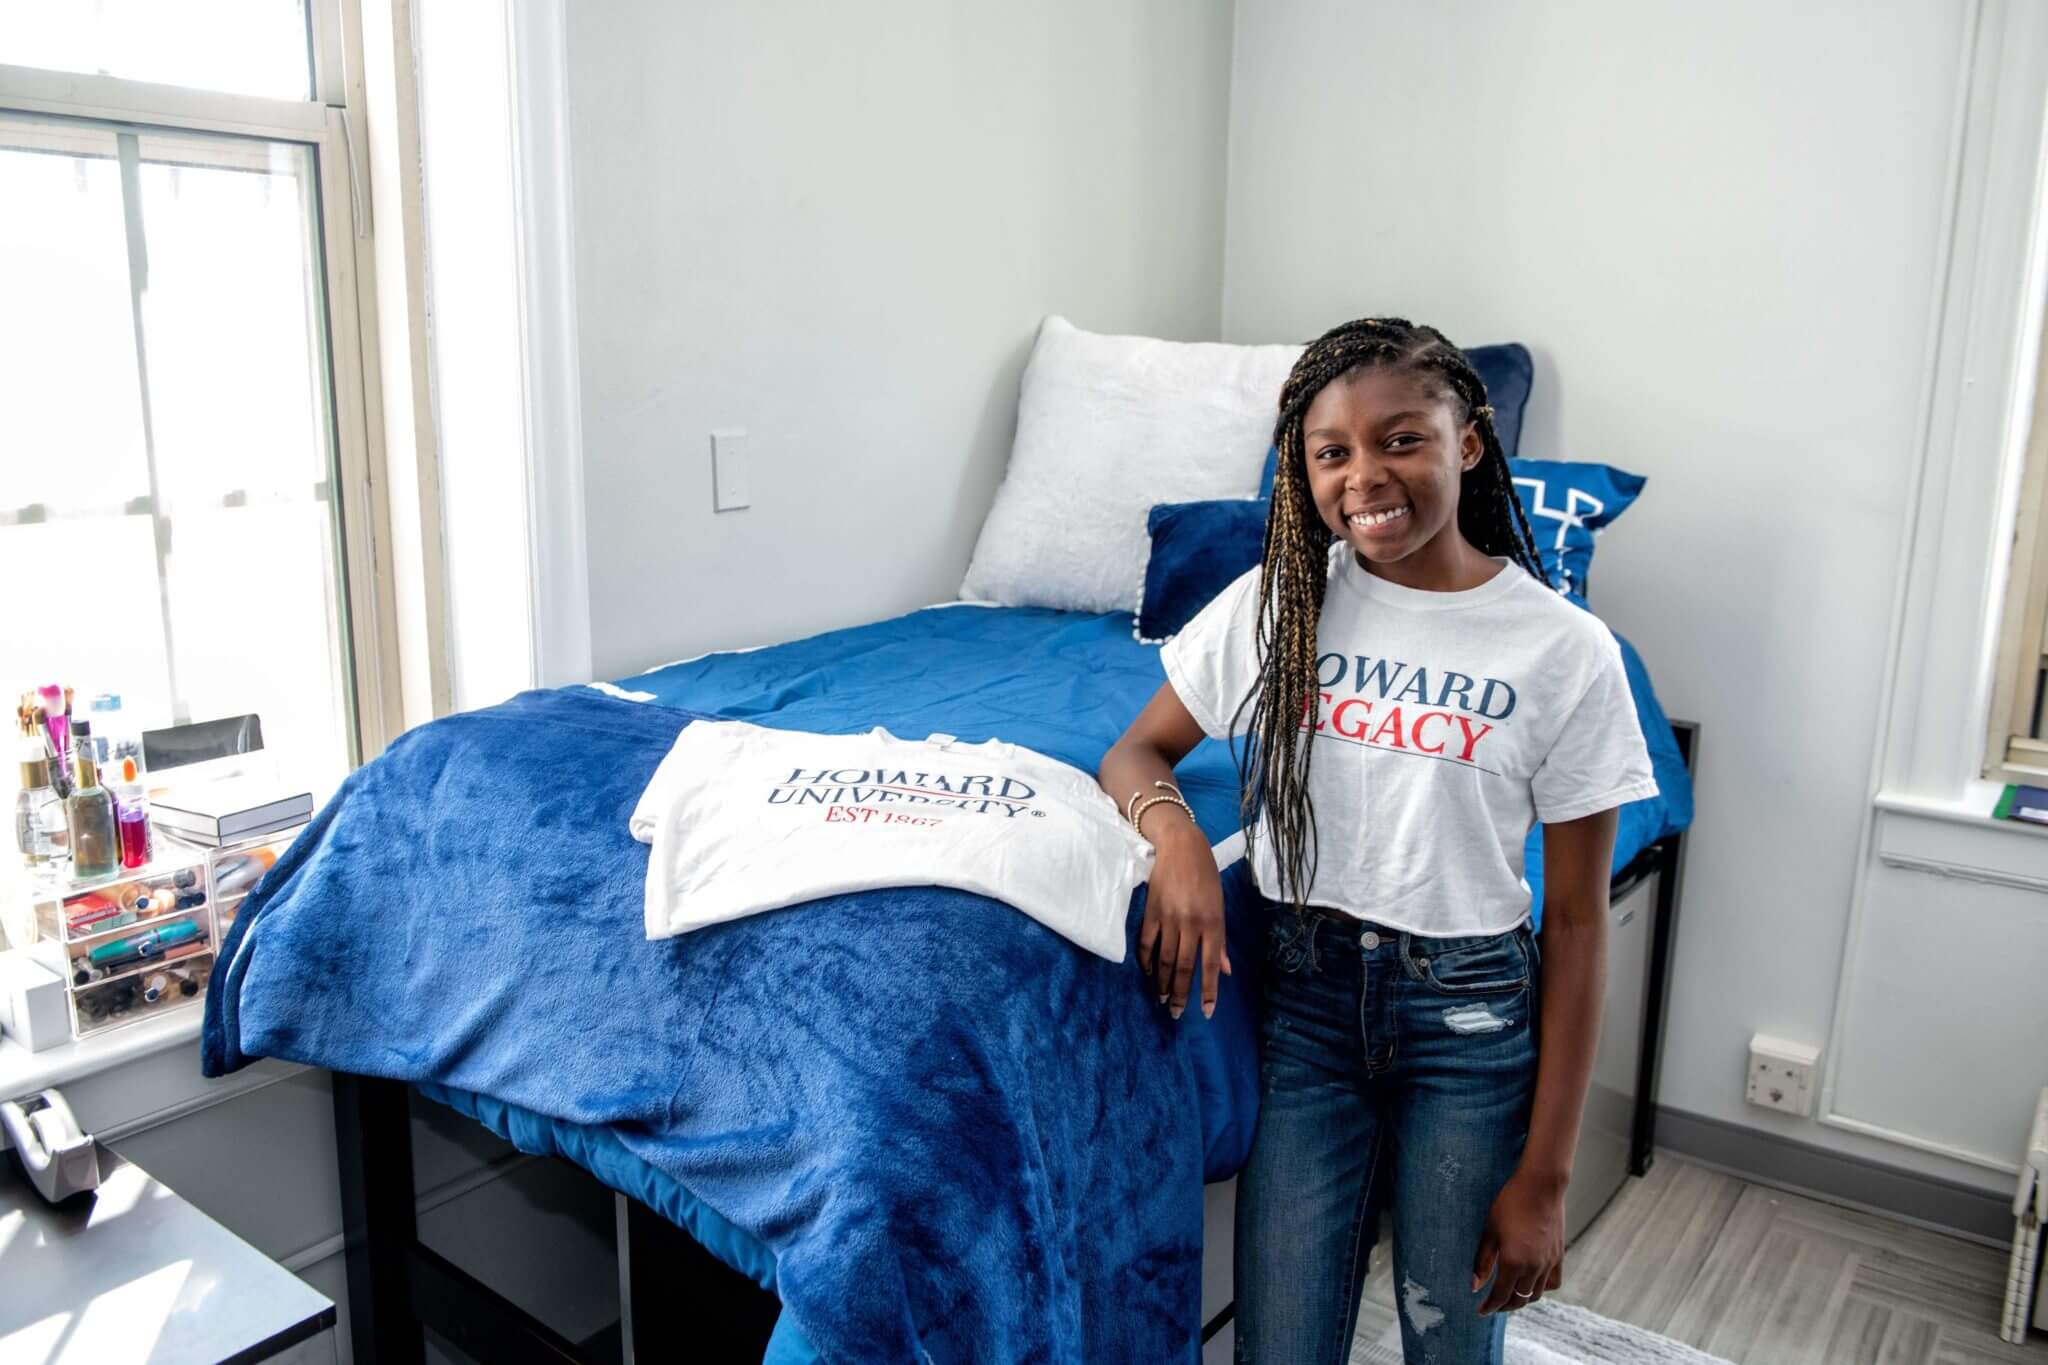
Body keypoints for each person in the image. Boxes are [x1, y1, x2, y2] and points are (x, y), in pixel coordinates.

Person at [1098, 317, 1657, 1363]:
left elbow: (1579, 923)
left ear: (1469, 444)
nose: (1365, 475)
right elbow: (1135, 754)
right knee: (1283, 1344)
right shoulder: (1277, 605)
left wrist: (1544, 1179)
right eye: (1331, 452)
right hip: (1303, 1007)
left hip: (1470, 1024)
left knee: (1447, 1344)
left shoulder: (1565, 651)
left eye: (1401, 439)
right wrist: (1175, 844)